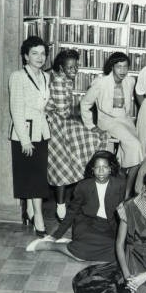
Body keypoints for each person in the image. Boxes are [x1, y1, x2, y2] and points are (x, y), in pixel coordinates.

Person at [26, 151, 126, 262]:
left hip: (108, 227)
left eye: (104, 167)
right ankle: (50, 246)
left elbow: (125, 211)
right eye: (97, 167)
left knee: (119, 252)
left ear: (110, 169)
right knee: (81, 254)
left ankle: (71, 245)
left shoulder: (120, 185)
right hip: (87, 224)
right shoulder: (83, 186)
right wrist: (56, 235)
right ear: (92, 170)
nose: (101, 171)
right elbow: (72, 212)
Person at [46, 49, 108, 221]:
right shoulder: (58, 81)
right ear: (61, 67)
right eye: (70, 67)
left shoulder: (65, 79)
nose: (75, 70)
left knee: (91, 143)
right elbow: (63, 113)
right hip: (55, 126)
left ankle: (80, 198)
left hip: (62, 122)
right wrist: (82, 120)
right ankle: (61, 204)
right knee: (63, 163)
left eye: (76, 67)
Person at [80, 52, 143, 196]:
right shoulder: (101, 82)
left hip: (125, 120)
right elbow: (84, 103)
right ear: (112, 67)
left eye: (125, 67)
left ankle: (119, 178)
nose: (122, 70)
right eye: (119, 67)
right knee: (135, 146)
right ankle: (127, 192)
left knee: (137, 147)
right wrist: (91, 126)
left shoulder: (130, 81)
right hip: (108, 122)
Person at [9, 36, 51, 236]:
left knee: (39, 176)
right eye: (34, 53)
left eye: (42, 53)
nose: (39, 57)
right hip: (24, 135)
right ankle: (38, 218)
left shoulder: (45, 76)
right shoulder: (18, 76)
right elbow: (16, 110)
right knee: (33, 178)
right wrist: (24, 140)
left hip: (41, 132)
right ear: (26, 56)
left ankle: (31, 212)